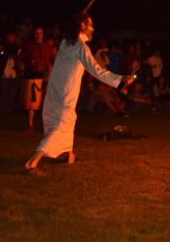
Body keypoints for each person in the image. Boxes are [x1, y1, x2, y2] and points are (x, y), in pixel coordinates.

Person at [24, 12, 132, 173]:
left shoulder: (66, 42)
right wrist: (120, 79)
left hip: (55, 91)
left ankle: (69, 155)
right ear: (82, 26)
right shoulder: (81, 47)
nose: (93, 28)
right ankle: (32, 163)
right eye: (90, 24)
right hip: (65, 93)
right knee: (61, 125)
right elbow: (96, 70)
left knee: (67, 121)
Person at [18, 27, 55, 131]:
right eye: (37, 33)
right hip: (32, 75)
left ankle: (47, 125)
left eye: (40, 33)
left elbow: (52, 58)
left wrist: (50, 71)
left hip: (45, 76)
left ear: (43, 35)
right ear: (34, 34)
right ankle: (30, 125)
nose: (39, 35)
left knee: (47, 101)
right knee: (32, 102)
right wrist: (21, 64)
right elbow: (20, 58)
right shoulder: (29, 46)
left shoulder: (47, 46)